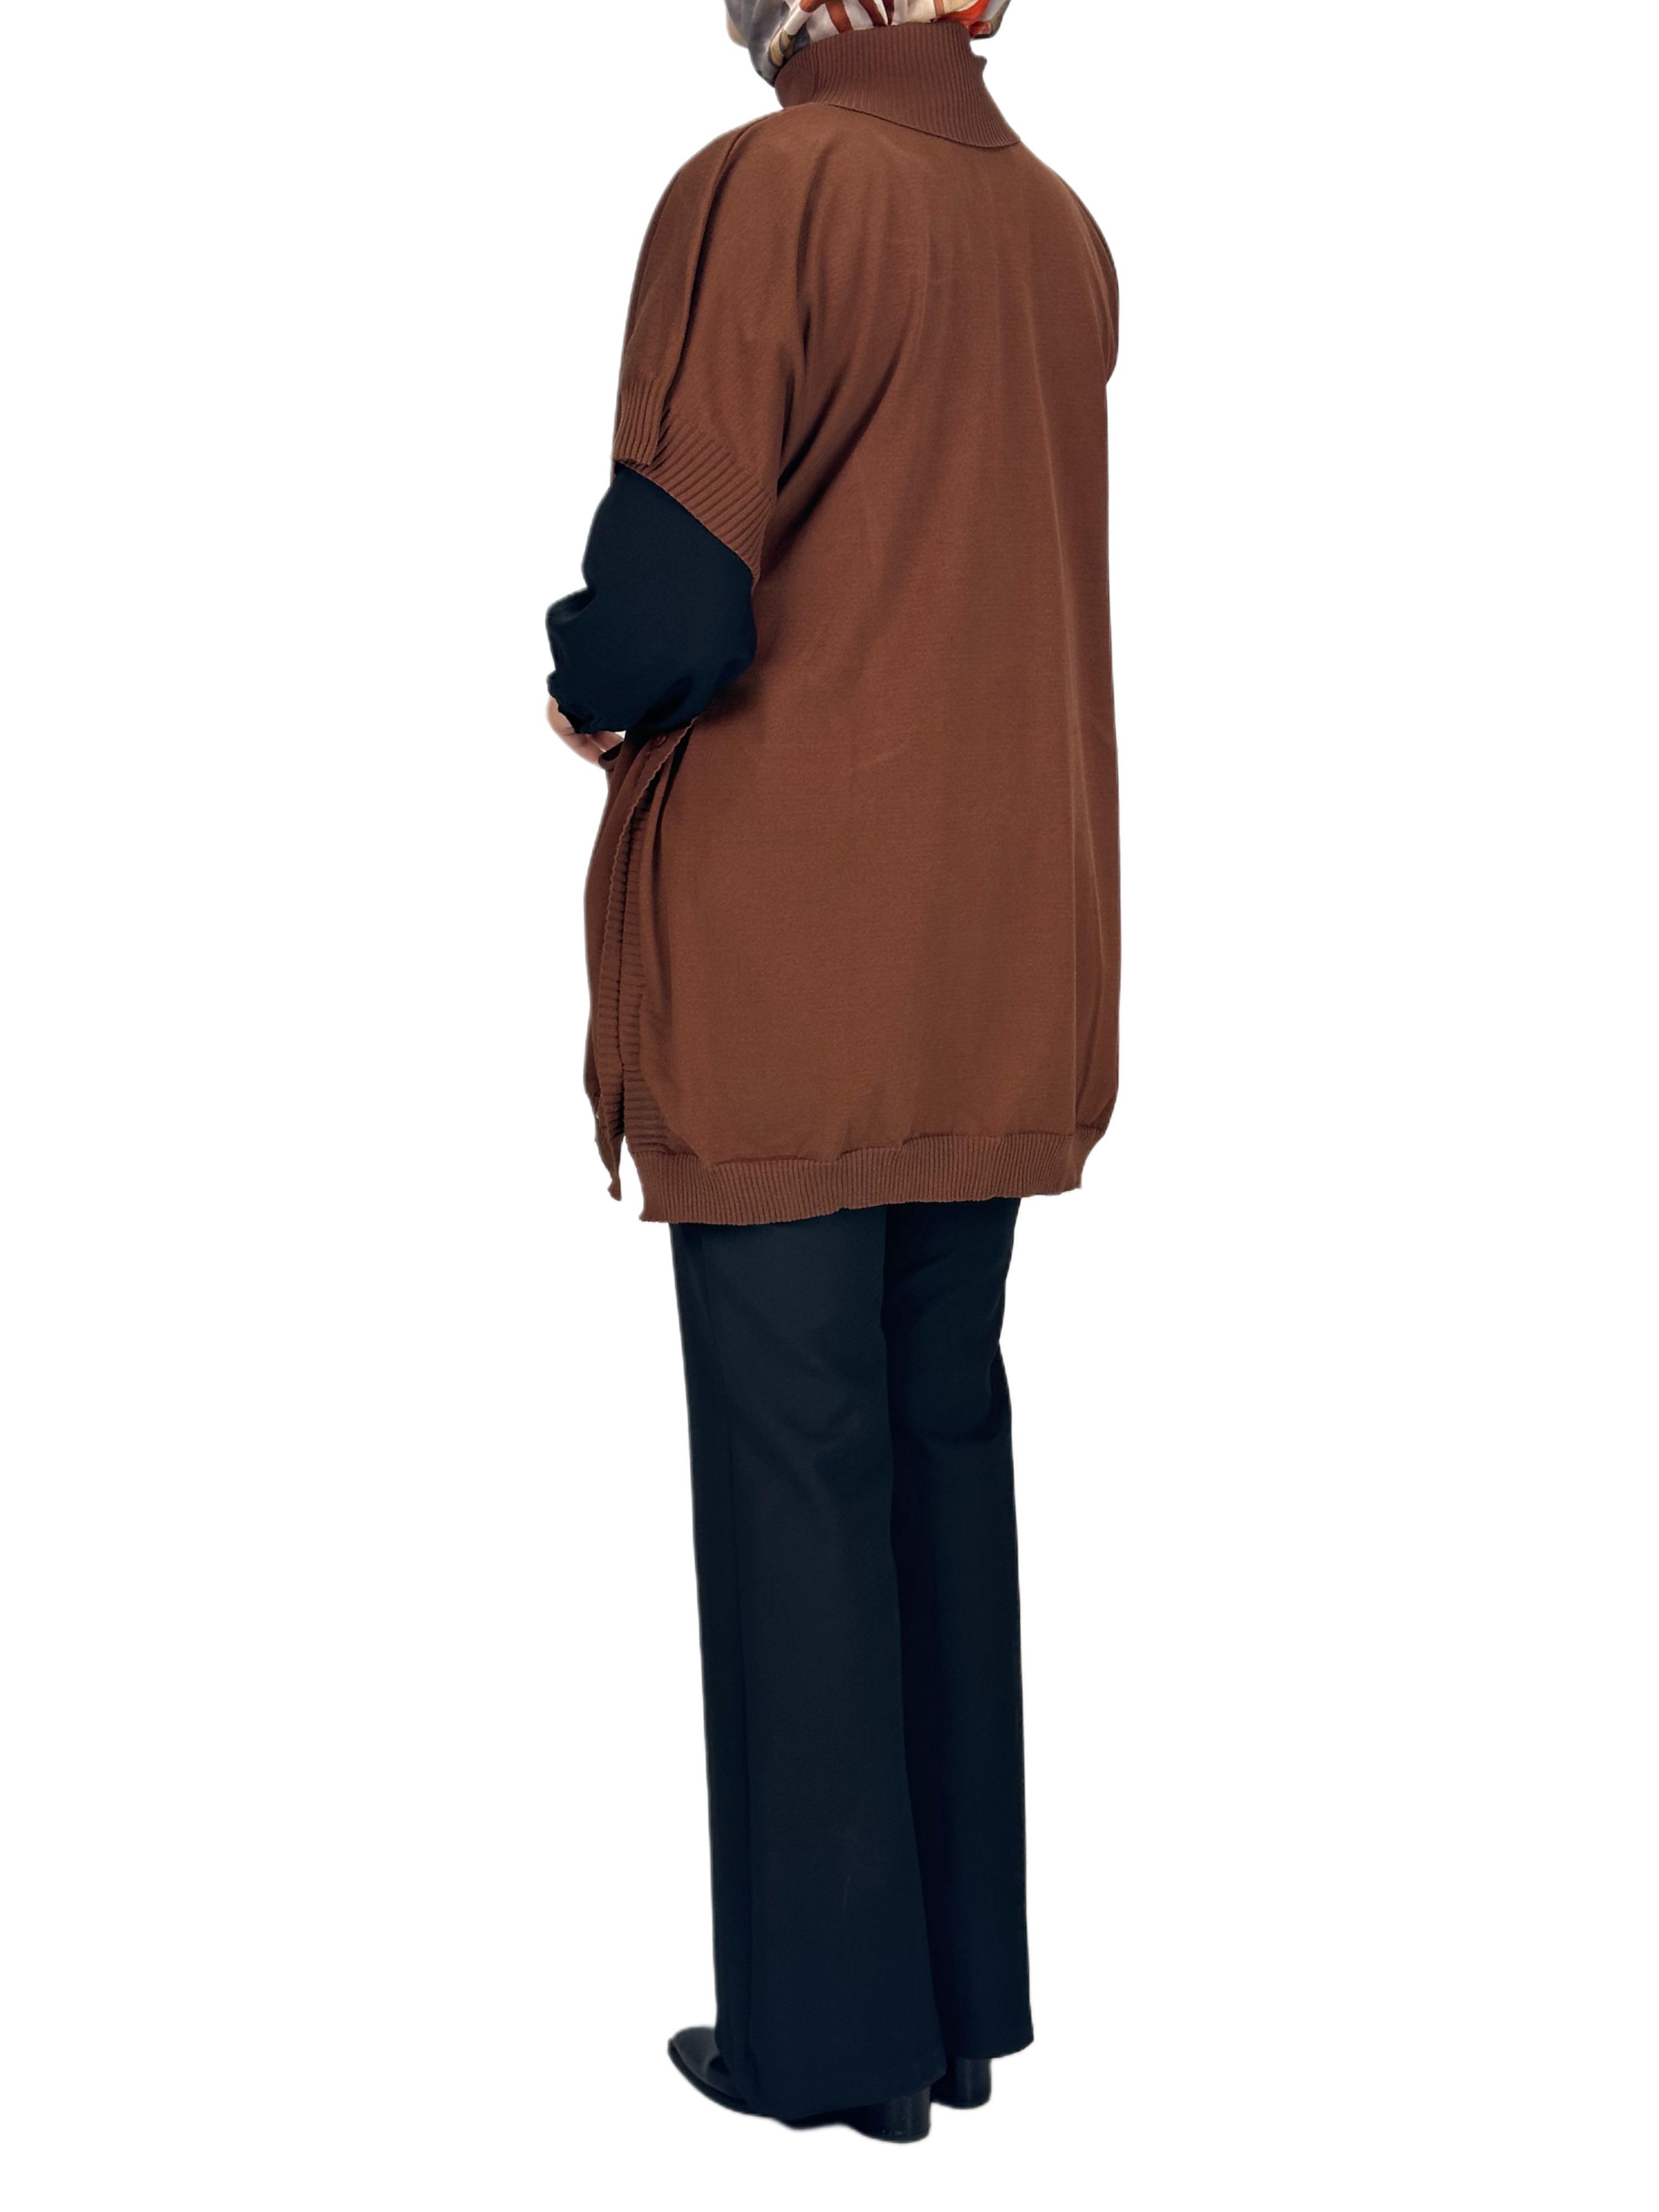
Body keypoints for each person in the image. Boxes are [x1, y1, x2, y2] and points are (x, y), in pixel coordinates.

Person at [543, 0, 1119, 2146]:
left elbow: (674, 602)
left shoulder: (767, 187)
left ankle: (826, 2047)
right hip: (1000, 951)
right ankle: (953, 2012)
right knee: (938, 1446)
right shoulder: (1055, 228)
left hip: (802, 955)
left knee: (800, 1480)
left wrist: (587, 679)